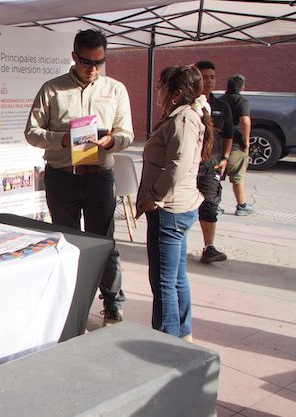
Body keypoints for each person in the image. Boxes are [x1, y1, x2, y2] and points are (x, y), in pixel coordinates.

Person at [25, 29, 134, 325]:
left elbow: (127, 134)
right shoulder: (52, 89)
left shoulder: (115, 89)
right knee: (67, 243)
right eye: (87, 62)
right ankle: (70, 305)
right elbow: (32, 132)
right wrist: (61, 139)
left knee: (104, 243)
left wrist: (111, 141)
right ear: (74, 57)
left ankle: (112, 303)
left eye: (99, 62)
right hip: (63, 177)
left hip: (99, 176)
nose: (93, 69)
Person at [137, 65, 213, 342]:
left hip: (168, 210)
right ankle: (182, 334)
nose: (157, 90)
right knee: (176, 277)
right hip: (177, 208)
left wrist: (153, 196)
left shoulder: (183, 119)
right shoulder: (184, 115)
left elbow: (178, 164)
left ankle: (166, 341)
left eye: (161, 85)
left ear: (176, 93)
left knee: (164, 282)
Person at [194, 61, 234, 263]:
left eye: (212, 77)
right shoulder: (186, 104)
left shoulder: (222, 106)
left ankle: (209, 248)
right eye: (204, 77)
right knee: (181, 206)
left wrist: (225, 158)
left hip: (211, 165)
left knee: (210, 203)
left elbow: (228, 134)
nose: (209, 81)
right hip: (189, 164)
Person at [220, 74, 254, 216]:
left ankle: (214, 204)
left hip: (219, 143)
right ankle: (241, 205)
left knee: (216, 176)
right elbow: (245, 121)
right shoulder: (241, 101)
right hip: (235, 143)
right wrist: (246, 141)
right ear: (242, 87)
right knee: (238, 176)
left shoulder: (220, 101)